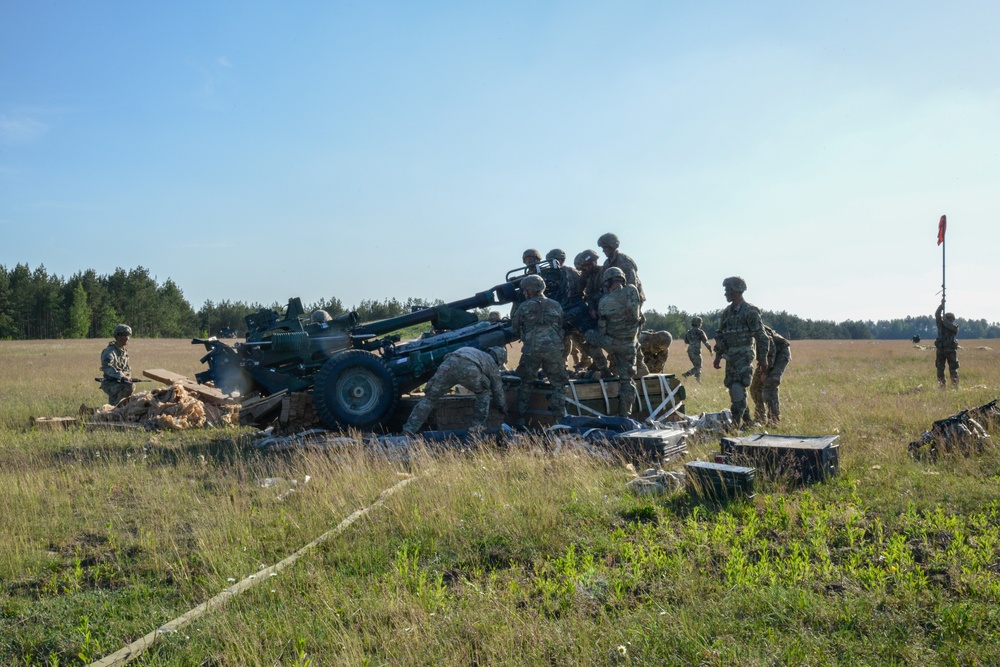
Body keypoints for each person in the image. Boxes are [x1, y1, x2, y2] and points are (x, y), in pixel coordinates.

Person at [402, 346, 508, 434]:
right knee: (483, 393)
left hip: (448, 364)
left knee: (429, 399)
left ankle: (409, 430)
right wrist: (501, 405)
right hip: (469, 369)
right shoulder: (492, 364)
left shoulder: (475, 351)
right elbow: (497, 389)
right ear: (499, 360)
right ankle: (476, 428)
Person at [713, 277, 770, 428]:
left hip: (744, 356)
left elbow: (761, 336)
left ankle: (735, 426)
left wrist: (763, 358)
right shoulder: (726, 313)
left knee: (738, 387)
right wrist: (718, 356)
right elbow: (720, 335)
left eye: (728, 290)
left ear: (737, 290)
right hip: (730, 357)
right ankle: (747, 421)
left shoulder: (750, 311)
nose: (726, 293)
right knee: (733, 389)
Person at [511, 274, 568, 427]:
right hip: (554, 350)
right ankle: (559, 421)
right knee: (558, 384)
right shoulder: (556, 305)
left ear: (528, 290)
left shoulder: (524, 307)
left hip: (531, 350)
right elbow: (561, 324)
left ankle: (521, 420)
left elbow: (515, 327)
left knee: (525, 383)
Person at [585, 267, 641, 417]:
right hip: (630, 343)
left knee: (589, 336)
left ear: (607, 282)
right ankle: (625, 416)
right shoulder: (632, 290)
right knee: (627, 381)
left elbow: (602, 328)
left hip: (612, 342)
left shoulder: (604, 301)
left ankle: (603, 368)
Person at [597, 233, 648, 376]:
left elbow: (631, 285)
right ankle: (621, 365)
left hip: (630, 301)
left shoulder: (624, 261)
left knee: (630, 334)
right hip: (615, 301)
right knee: (617, 333)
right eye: (603, 248)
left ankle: (640, 365)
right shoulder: (607, 263)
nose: (604, 250)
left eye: (606, 247)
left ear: (613, 246)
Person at [574, 249, 609, 375]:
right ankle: (600, 366)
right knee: (589, 338)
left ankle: (613, 364)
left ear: (594, 261)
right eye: (583, 268)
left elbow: (608, 294)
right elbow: (588, 294)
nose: (586, 269)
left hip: (609, 314)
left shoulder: (605, 272)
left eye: (587, 266)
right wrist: (592, 309)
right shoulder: (589, 277)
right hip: (598, 314)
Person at [750, 325, 791, 424]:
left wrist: (766, 372)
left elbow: (771, 349)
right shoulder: (741, 327)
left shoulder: (756, 327)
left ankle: (774, 419)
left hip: (780, 352)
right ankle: (760, 417)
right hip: (766, 357)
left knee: (770, 383)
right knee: (755, 387)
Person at [100, 324, 135, 405]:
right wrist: (122, 376)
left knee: (125, 401)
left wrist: (127, 377)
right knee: (127, 389)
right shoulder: (109, 352)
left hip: (121, 382)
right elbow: (107, 367)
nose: (127, 338)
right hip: (110, 383)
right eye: (124, 335)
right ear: (117, 336)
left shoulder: (123, 352)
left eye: (128, 335)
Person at [935, 302, 960, 388]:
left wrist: (945, 321)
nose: (950, 320)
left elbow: (950, 327)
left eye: (950, 318)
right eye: (949, 318)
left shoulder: (954, 327)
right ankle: (942, 386)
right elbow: (937, 315)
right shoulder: (940, 325)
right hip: (941, 350)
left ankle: (955, 385)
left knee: (953, 369)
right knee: (940, 369)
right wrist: (941, 306)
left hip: (951, 351)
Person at [682, 317, 713, 382]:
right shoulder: (700, 332)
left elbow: (686, 341)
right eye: (700, 323)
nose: (701, 324)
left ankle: (698, 380)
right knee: (698, 367)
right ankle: (686, 374)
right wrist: (710, 350)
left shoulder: (688, 332)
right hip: (696, 351)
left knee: (696, 366)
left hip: (690, 351)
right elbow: (705, 342)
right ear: (698, 323)